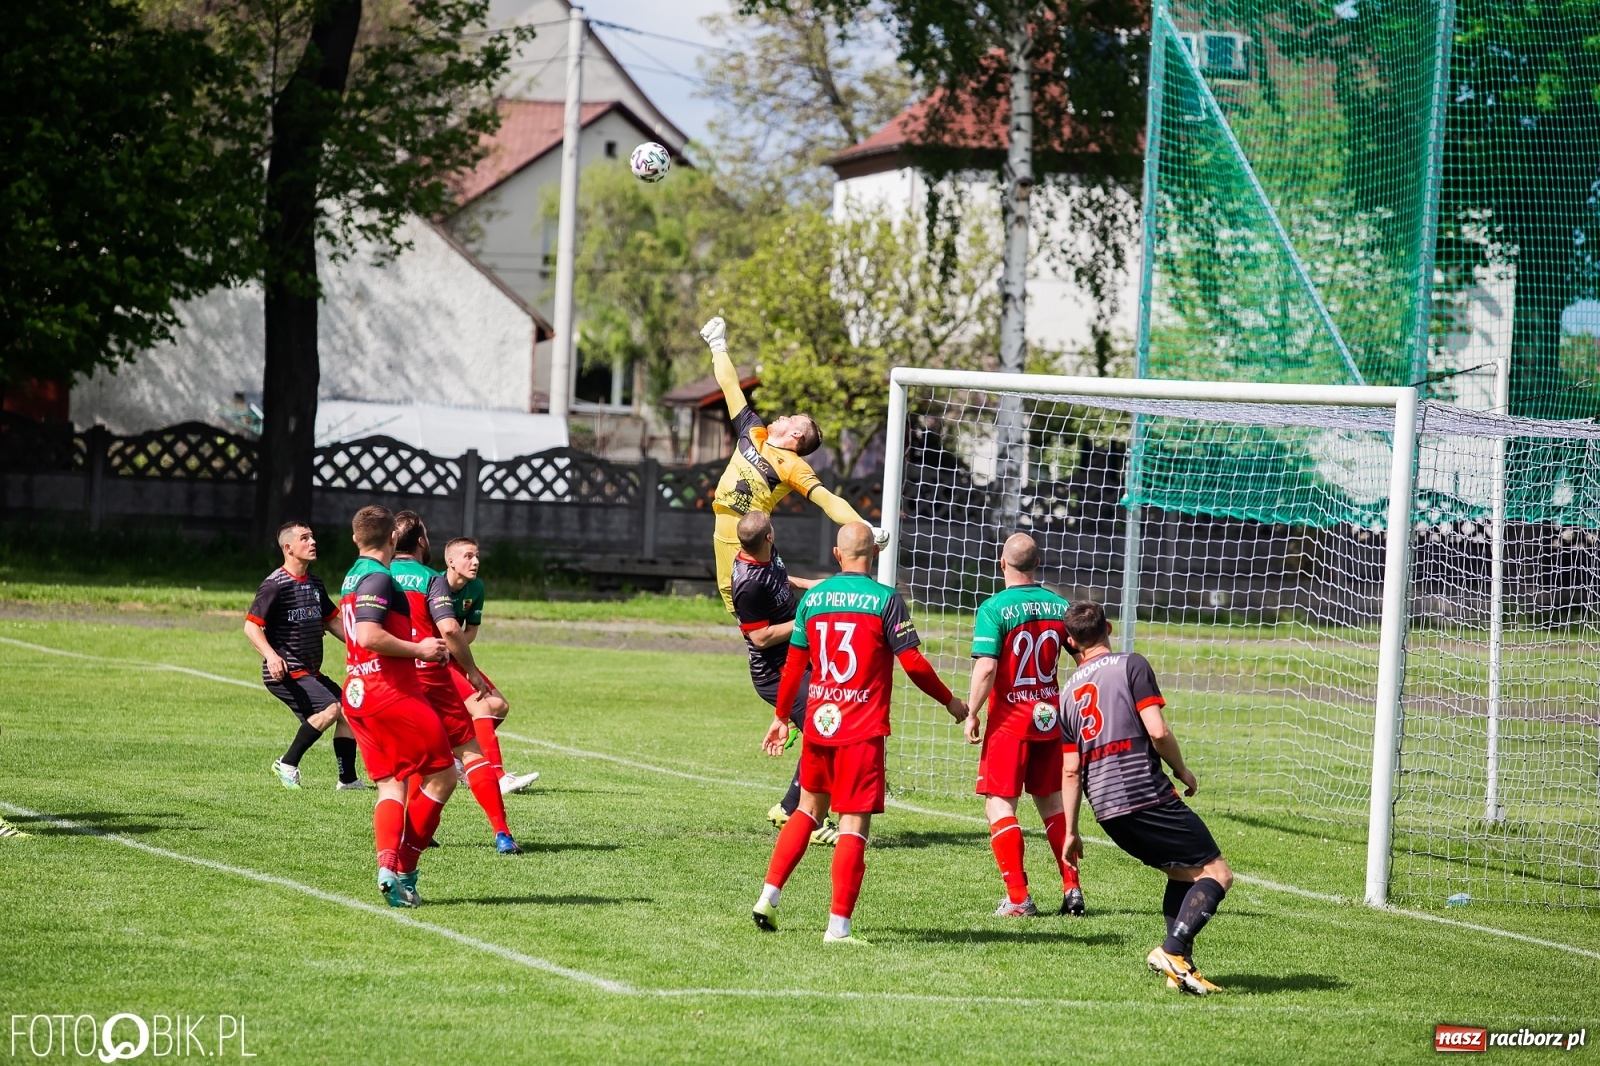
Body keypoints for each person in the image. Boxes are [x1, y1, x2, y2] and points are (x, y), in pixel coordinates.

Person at [750, 522, 969, 944]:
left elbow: (795, 666)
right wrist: (950, 702)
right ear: (876, 555)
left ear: (837, 554)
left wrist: (781, 716)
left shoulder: (814, 598)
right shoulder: (885, 600)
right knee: (853, 824)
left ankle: (768, 897)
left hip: (819, 721)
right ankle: (838, 928)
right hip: (861, 729)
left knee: (808, 811)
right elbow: (915, 665)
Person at [1058, 600, 1232, 995]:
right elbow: (1156, 730)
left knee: (1179, 872)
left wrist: (1071, 832)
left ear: (1071, 643)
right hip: (1144, 794)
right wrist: (1181, 769)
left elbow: (1071, 770)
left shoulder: (1066, 694)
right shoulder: (1130, 665)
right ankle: (1171, 950)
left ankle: (1181, 968)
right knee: (1217, 873)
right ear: (1109, 629)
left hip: (1106, 809)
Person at [697, 317, 878, 614]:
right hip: (724, 536)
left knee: (757, 622)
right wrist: (718, 346)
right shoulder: (753, 431)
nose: (782, 417)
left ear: (795, 435)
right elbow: (730, 387)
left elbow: (827, 499)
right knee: (747, 619)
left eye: (790, 418)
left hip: (750, 544)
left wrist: (863, 525)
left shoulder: (793, 466)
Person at [338, 505, 459, 908]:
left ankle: (387, 867)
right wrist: (419, 648)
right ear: (393, 538)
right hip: (390, 692)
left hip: (357, 693)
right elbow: (370, 634)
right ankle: (406, 870)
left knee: (390, 785)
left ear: (356, 539)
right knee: (442, 777)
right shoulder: (379, 577)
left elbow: (356, 632)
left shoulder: (351, 576)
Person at [963, 533, 1084, 917]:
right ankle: (1072, 889)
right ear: (1037, 564)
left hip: (1011, 722)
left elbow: (986, 666)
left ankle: (1018, 899)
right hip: (1051, 716)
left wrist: (971, 712)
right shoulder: (1060, 606)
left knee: (1000, 804)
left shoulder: (995, 607)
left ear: (1002, 563)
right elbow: (1084, 654)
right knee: (1052, 805)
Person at [390, 513, 523, 855]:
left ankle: (403, 841)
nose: (475, 561)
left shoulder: (373, 575)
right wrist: (472, 671)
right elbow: (449, 630)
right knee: (469, 750)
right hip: (430, 673)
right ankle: (502, 832)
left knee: (411, 761)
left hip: (388, 678)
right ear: (422, 541)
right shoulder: (430, 579)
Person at [729, 511, 836, 845]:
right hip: (775, 673)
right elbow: (759, 638)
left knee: (829, 725)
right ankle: (807, 816)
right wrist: (806, 617)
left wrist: (811, 587)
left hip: (799, 660)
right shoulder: (747, 583)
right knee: (825, 732)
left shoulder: (765, 554)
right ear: (769, 536)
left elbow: (782, 580)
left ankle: (791, 807)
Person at [245, 521, 363, 790]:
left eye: (312, 537)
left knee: (350, 712)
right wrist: (271, 656)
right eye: (305, 538)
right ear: (288, 547)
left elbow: (333, 622)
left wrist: (363, 645)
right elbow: (251, 626)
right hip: (286, 671)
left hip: (309, 670)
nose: (313, 542)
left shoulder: (314, 584)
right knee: (331, 709)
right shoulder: (275, 584)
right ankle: (286, 764)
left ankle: (347, 780)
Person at [440, 537, 537, 795]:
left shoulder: (476, 588)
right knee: (482, 705)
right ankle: (497, 776)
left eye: (477, 556)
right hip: (432, 659)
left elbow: (469, 632)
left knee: (500, 706)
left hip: (455, 655)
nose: (475, 562)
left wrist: (455, 648)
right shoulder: (434, 585)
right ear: (450, 561)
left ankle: (458, 758)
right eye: (468, 556)